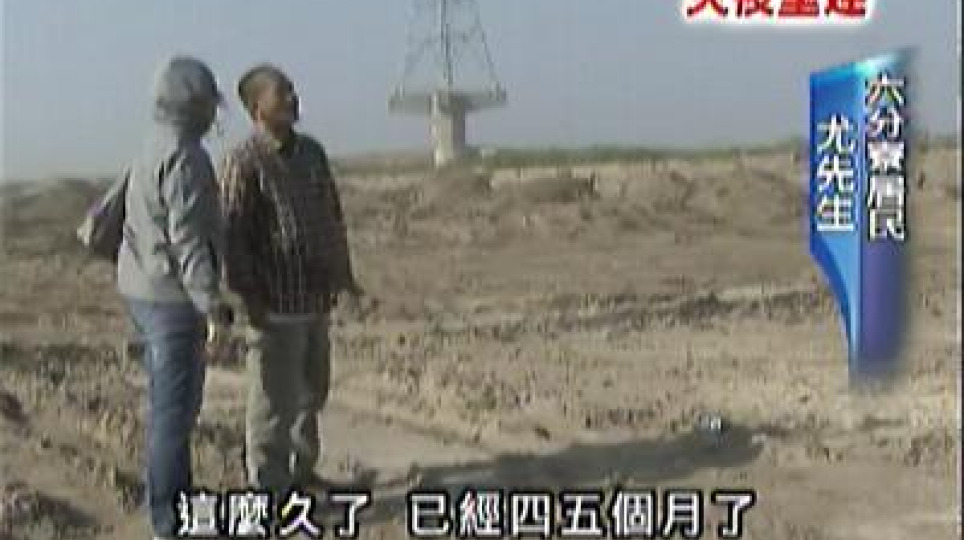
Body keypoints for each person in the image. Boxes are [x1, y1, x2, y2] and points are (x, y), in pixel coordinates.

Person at [217, 64, 361, 496]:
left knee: (310, 394)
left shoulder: (311, 154)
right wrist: (248, 298)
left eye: (293, 90)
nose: (293, 99)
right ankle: (269, 488)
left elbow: (331, 218)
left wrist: (344, 277)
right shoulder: (243, 162)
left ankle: (302, 472)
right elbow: (231, 236)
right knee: (272, 403)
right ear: (256, 107)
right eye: (282, 93)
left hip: (314, 299)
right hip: (274, 305)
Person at [116, 55, 233, 540]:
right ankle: (169, 521)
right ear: (196, 104)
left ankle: (176, 502)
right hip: (172, 300)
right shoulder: (185, 157)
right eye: (210, 103)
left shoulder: (152, 145)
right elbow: (188, 240)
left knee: (173, 409)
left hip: (142, 289)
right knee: (173, 415)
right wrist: (213, 306)